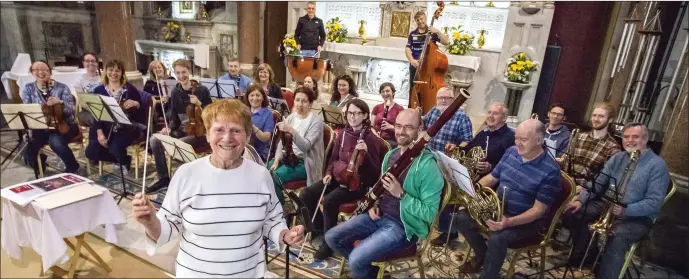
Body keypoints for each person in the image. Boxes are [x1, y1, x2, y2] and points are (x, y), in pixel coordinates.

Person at [131, 99, 305, 278]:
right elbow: (167, 227)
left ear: (247, 136)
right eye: (219, 130)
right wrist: (150, 221)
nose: (227, 138)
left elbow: (272, 220)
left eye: (236, 131)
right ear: (207, 135)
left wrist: (285, 234)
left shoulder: (261, 175)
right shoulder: (186, 174)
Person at [324, 108, 444, 279]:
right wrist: (375, 204)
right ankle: (371, 273)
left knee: (356, 259)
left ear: (419, 130)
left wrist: (401, 194)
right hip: (379, 216)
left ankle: (362, 267)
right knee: (331, 237)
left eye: (408, 127)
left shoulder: (429, 167)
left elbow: (429, 214)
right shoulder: (391, 155)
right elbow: (380, 192)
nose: (401, 132)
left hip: (403, 227)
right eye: (399, 126)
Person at [455, 119, 561, 278]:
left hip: (526, 223)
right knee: (461, 217)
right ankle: (483, 254)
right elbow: (492, 178)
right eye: (516, 138)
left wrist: (508, 222)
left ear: (539, 141)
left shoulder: (551, 171)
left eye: (523, 140)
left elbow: (538, 211)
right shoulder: (511, 152)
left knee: (497, 238)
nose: (517, 143)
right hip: (498, 209)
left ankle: (489, 275)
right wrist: (473, 192)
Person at [563, 123, 669, 279]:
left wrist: (627, 210)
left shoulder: (657, 165)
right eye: (626, 137)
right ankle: (588, 252)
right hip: (608, 205)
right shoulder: (618, 157)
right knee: (572, 214)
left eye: (635, 137)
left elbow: (654, 202)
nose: (630, 141)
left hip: (637, 216)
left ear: (645, 139)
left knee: (616, 238)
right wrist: (580, 200)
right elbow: (598, 183)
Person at [298, 99, 382, 261]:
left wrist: (367, 153)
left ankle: (328, 244)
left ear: (365, 115)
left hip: (357, 183)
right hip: (337, 176)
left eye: (358, 113)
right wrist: (329, 172)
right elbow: (334, 157)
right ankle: (321, 228)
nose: (353, 117)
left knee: (329, 201)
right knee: (306, 195)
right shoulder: (343, 133)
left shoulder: (370, 138)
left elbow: (375, 173)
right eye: (350, 113)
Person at [431, 103, 515, 246]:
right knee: (446, 188)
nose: (490, 116)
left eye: (495, 113)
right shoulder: (484, 133)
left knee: (456, 195)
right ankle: (449, 231)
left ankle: (479, 240)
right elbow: (468, 150)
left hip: (492, 186)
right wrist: (455, 147)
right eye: (489, 112)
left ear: (504, 118)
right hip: (474, 178)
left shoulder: (509, 138)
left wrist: (491, 166)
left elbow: (510, 166)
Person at [146, 59, 213, 193]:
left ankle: (189, 181)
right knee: (154, 140)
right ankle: (164, 178)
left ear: (190, 71)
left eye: (184, 72)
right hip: (182, 129)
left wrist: (200, 104)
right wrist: (169, 128)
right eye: (178, 73)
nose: (181, 76)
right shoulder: (175, 92)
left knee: (180, 144)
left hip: (199, 132)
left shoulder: (201, 90)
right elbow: (174, 117)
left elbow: (212, 115)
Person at [21, 60, 82, 175]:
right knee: (28, 145)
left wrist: (61, 103)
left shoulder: (62, 88)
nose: (41, 72)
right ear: (32, 72)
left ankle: (73, 166)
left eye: (44, 69)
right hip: (41, 126)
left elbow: (71, 112)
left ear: (50, 72)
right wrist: (44, 107)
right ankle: (40, 162)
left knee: (55, 142)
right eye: (36, 70)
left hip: (64, 125)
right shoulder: (28, 89)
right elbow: (28, 110)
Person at [85, 60, 144, 175]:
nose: (114, 73)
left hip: (125, 127)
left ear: (122, 73)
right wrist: (99, 132)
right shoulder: (99, 90)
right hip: (103, 127)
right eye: (111, 70)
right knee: (91, 152)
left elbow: (141, 108)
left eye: (117, 70)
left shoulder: (129, 89)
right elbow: (96, 114)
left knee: (115, 148)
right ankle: (123, 159)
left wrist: (135, 104)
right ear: (106, 72)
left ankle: (120, 158)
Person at [268, 87, 325, 204]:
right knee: (266, 170)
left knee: (275, 176)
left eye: (304, 101)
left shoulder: (316, 121)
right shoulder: (292, 117)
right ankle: (273, 206)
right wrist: (277, 159)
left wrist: (292, 130)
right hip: (289, 157)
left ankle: (280, 211)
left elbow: (305, 147)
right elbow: (281, 142)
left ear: (310, 103)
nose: (300, 104)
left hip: (305, 162)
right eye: (297, 100)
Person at [405, 11, 450, 100]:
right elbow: (407, 48)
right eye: (417, 20)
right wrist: (411, 60)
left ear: (425, 18)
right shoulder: (413, 33)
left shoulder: (432, 33)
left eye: (421, 19)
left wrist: (437, 31)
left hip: (429, 67)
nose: (420, 21)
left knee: (428, 91)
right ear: (415, 21)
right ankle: (412, 109)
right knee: (413, 89)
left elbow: (446, 42)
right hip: (416, 66)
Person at [422, 87, 473, 152]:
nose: (443, 101)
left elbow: (468, 141)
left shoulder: (462, 117)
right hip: (429, 153)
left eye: (446, 98)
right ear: (436, 100)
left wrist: (456, 148)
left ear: (453, 100)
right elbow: (422, 126)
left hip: (446, 157)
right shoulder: (433, 110)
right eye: (440, 98)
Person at [244, 84, 275, 162]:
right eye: (252, 95)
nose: (254, 98)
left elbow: (265, 138)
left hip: (260, 152)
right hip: (243, 149)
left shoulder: (268, 114)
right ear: (247, 97)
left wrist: (252, 126)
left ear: (263, 98)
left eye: (258, 95)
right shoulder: (243, 111)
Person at [370, 82, 404, 148]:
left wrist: (391, 127)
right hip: (377, 139)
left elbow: (403, 128)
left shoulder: (400, 109)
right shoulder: (377, 107)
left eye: (387, 91)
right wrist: (376, 135)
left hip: (392, 141)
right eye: (382, 91)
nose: (385, 93)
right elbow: (371, 126)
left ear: (393, 92)